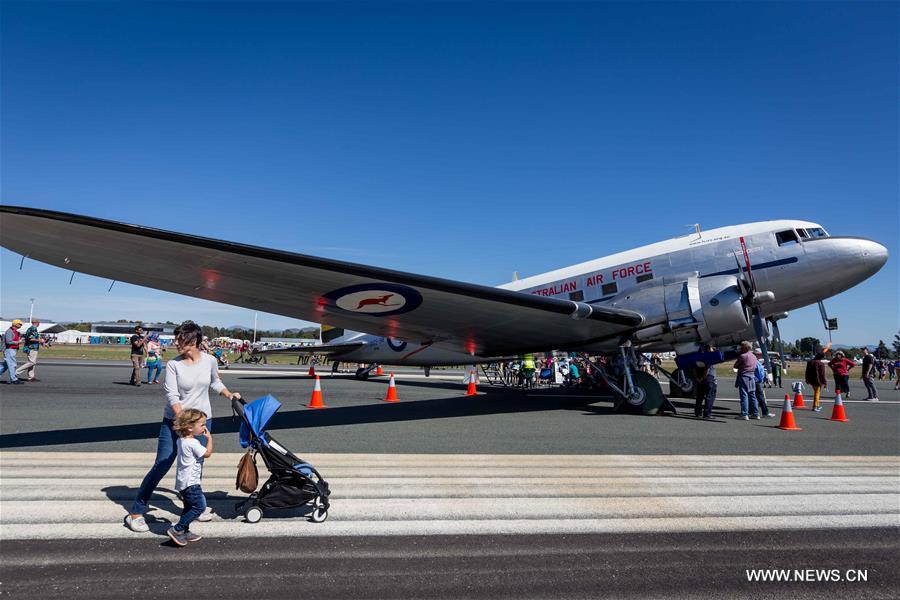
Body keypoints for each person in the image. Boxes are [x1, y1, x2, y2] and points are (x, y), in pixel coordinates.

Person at [125, 321, 241, 533]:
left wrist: (229, 394)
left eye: (181, 339)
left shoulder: (210, 360)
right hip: (176, 422)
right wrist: (183, 422)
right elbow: (172, 395)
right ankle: (136, 511)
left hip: (202, 422)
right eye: (176, 338)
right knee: (163, 462)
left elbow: (215, 382)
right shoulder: (173, 364)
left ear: (194, 341)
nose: (176, 343)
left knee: (195, 465)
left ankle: (192, 506)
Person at [167, 408, 213, 546]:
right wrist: (209, 439)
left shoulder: (181, 440)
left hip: (183, 481)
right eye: (202, 425)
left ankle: (185, 531)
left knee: (188, 507)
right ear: (190, 427)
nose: (204, 427)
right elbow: (208, 453)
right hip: (191, 483)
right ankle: (177, 529)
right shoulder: (193, 443)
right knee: (199, 507)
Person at [733, 341, 759, 420]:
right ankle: (755, 413)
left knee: (744, 395)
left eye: (742, 346)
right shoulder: (754, 356)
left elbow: (735, 365)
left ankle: (744, 413)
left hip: (744, 376)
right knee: (752, 395)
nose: (740, 348)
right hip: (752, 376)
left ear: (745, 347)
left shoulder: (743, 356)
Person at [692, 345, 718, 419]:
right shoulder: (708, 357)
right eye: (712, 348)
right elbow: (707, 369)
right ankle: (707, 414)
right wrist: (703, 377)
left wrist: (697, 378)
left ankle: (697, 412)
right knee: (710, 396)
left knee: (700, 396)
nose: (713, 349)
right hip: (708, 378)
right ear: (708, 349)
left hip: (700, 378)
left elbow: (693, 368)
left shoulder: (697, 357)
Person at [0, 319, 25, 384]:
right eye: (20, 324)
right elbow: (8, 341)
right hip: (9, 349)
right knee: (12, 364)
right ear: (15, 324)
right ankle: (13, 379)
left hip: (13, 350)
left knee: (5, 366)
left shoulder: (15, 331)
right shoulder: (9, 331)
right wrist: (18, 342)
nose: (21, 325)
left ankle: (13, 378)